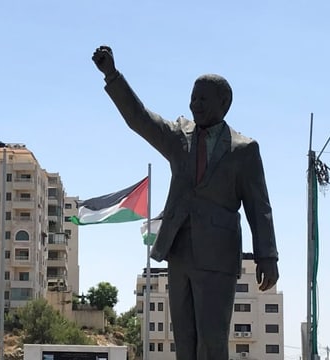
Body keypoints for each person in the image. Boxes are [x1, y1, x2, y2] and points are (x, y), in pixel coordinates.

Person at [92, 45, 279, 360]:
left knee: (212, 342)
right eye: (193, 98)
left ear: (225, 103)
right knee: (185, 344)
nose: (195, 105)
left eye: (203, 99)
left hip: (218, 257)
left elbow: (259, 207)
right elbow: (140, 119)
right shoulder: (179, 136)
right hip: (179, 252)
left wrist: (267, 256)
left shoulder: (244, 150)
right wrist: (113, 75)